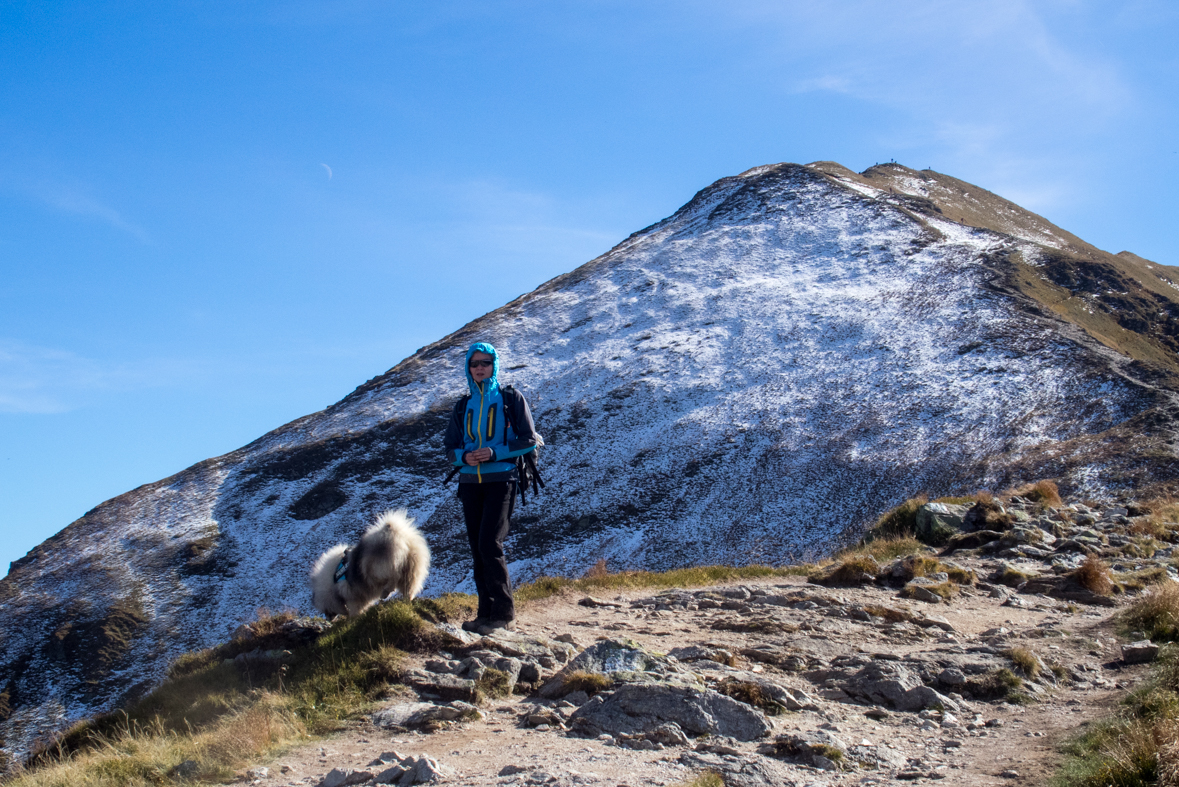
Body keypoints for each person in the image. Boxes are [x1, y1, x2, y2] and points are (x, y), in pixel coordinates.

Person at [443, 341, 539, 635]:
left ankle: (504, 613)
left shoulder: (511, 398)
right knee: (477, 549)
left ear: (494, 366)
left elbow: (529, 439)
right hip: (470, 483)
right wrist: (464, 457)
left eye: (486, 363)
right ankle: (484, 614)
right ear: (468, 369)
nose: (480, 368)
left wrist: (495, 453)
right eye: (475, 364)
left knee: (489, 543)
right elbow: (450, 447)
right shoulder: (463, 405)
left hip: (502, 480)